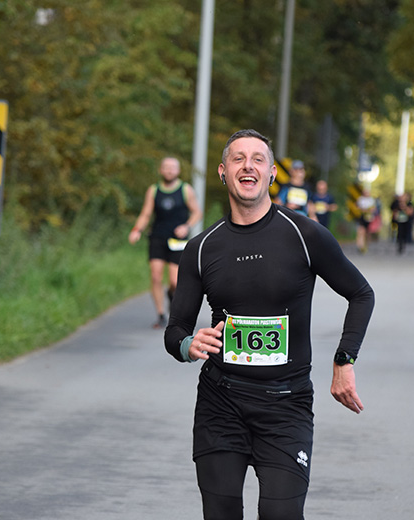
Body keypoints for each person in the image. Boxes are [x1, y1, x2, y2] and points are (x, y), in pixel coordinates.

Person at [165, 129, 374, 520]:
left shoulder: (305, 234)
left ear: (272, 173)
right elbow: (175, 329)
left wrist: (344, 360)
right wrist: (188, 345)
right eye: (238, 158)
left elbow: (361, 293)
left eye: (258, 159)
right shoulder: (202, 247)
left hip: (286, 405)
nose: (248, 165)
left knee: (281, 515)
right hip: (220, 403)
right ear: (223, 172)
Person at [129, 157, 202, 328]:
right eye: (166, 167)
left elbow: (197, 212)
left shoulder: (186, 190)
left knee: (175, 282)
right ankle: (161, 315)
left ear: (178, 171)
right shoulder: (154, 190)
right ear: (161, 170)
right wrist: (136, 230)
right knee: (155, 276)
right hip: (157, 237)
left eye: (173, 168)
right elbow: (146, 214)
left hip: (178, 240)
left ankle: (171, 297)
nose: (169, 171)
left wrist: (186, 227)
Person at [355, 187, 377, 253]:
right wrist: (362, 209)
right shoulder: (360, 199)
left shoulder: (372, 200)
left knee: (367, 232)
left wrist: (370, 210)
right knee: (361, 231)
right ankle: (360, 246)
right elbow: (356, 207)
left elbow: (374, 209)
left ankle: (365, 245)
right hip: (362, 217)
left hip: (369, 217)